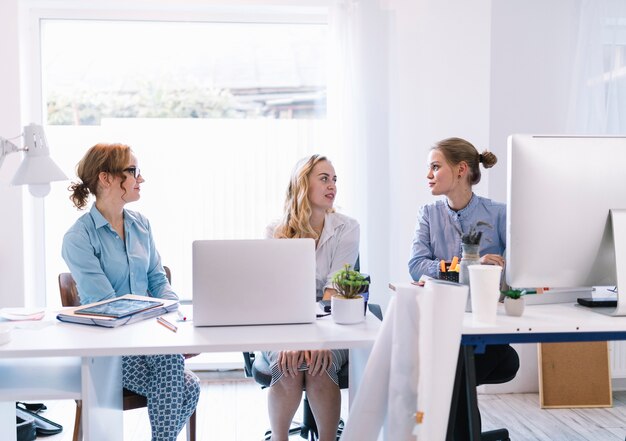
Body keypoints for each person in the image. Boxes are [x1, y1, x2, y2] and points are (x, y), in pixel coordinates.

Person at [61, 143, 200, 441]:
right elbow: (107, 304)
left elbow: (157, 280)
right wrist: (157, 326)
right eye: (133, 171)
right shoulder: (78, 237)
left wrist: (177, 321)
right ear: (106, 178)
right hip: (107, 350)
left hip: (148, 340)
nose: (141, 178)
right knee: (183, 381)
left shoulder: (142, 225)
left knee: (177, 371)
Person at [408, 137, 519, 439]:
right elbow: (416, 265)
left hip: (485, 333)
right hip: (441, 327)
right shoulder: (428, 215)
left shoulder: (498, 214)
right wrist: (467, 265)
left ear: (460, 170)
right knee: (453, 368)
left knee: (453, 369)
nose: (428, 174)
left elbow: (520, 267)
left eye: (435, 166)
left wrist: (499, 270)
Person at [263, 154, 359, 441]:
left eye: (334, 180)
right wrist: (293, 340)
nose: (332, 186)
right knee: (287, 363)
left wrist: (319, 341)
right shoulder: (275, 231)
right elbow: (277, 294)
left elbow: (334, 291)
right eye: (324, 178)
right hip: (283, 325)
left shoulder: (347, 228)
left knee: (320, 364)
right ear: (303, 184)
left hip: (331, 324)